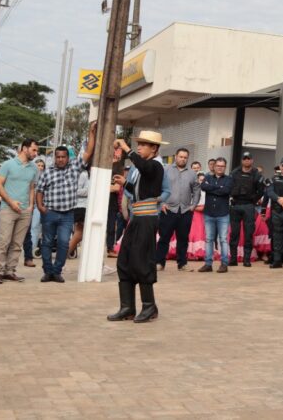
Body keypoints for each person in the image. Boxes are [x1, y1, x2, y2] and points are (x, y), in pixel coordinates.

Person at [107, 131, 170, 323]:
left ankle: (149, 306)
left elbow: (146, 168)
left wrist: (126, 148)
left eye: (144, 144)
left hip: (147, 219)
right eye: (139, 144)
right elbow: (138, 193)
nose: (140, 147)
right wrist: (125, 183)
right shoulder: (142, 168)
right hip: (136, 219)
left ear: (154, 148)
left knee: (142, 261)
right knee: (124, 260)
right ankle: (127, 307)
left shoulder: (156, 166)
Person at [35, 138, 93, 283]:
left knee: (63, 243)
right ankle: (48, 272)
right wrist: (41, 207)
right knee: (47, 242)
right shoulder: (47, 173)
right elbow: (39, 190)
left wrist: (92, 134)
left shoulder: (74, 168)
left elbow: (88, 153)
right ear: (55, 158)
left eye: (63, 157)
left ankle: (57, 271)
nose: (60, 159)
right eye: (58, 157)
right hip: (50, 213)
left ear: (68, 158)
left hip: (67, 214)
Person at [0, 139, 39, 284]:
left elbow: (32, 187)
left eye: (36, 151)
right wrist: (11, 202)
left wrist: (31, 206)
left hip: (25, 211)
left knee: (17, 244)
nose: (36, 153)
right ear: (25, 148)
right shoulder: (8, 165)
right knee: (3, 241)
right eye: (34, 150)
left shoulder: (34, 168)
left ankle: (10, 271)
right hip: (8, 209)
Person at [156, 147, 200, 271]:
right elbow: (159, 187)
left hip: (185, 211)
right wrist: (162, 203)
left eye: (185, 157)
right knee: (164, 237)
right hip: (168, 209)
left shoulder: (192, 173)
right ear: (175, 156)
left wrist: (194, 205)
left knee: (183, 239)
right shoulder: (166, 170)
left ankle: (182, 264)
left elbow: (197, 190)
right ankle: (159, 263)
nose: (183, 159)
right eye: (181, 156)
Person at [227, 151, 265, 267]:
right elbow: (229, 187)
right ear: (242, 160)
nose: (247, 160)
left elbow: (261, 190)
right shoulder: (234, 173)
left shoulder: (257, 174)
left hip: (249, 206)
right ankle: (233, 258)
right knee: (234, 234)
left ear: (252, 161)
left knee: (249, 234)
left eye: (249, 158)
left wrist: (254, 200)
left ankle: (246, 259)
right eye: (245, 158)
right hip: (236, 205)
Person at [199, 157, 232, 272]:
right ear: (214, 166)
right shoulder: (207, 177)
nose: (220, 168)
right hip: (209, 213)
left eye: (222, 166)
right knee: (208, 239)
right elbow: (203, 187)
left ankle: (224, 264)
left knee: (223, 239)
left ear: (225, 167)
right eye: (218, 166)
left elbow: (226, 191)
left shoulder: (229, 179)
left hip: (223, 214)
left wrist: (211, 188)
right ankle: (208, 264)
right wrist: (218, 188)